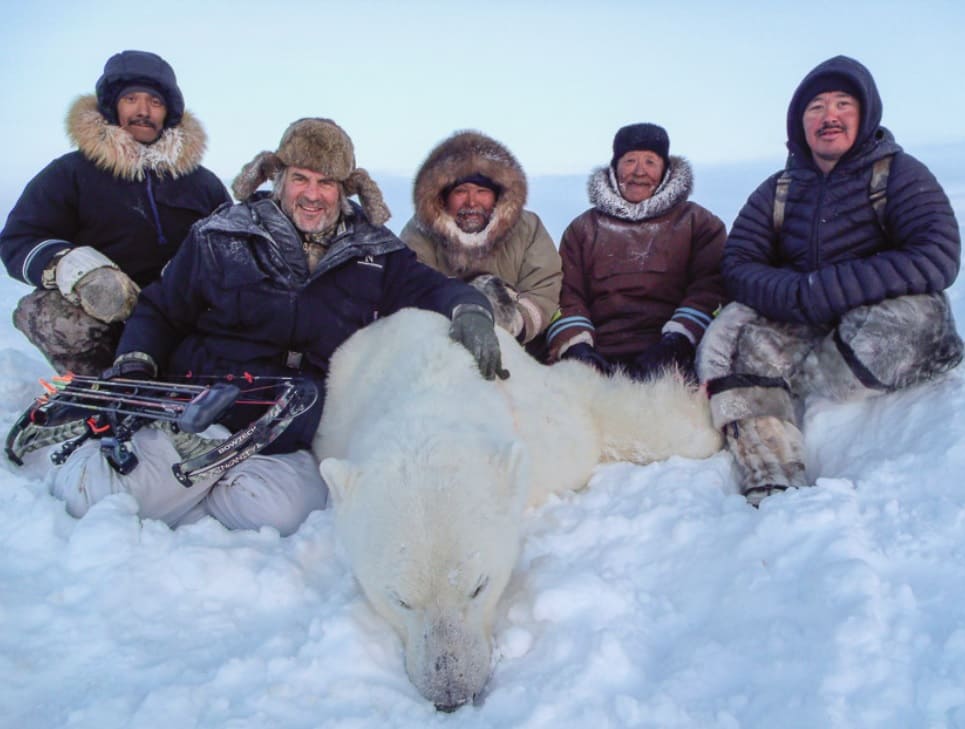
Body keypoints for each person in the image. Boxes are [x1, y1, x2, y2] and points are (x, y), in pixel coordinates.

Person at [46, 117, 505, 536]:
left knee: (272, 515)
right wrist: (135, 366)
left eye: (326, 183)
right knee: (92, 495)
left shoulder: (376, 252)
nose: (312, 194)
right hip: (205, 412)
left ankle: (192, 494)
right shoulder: (221, 234)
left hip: (292, 430)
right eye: (301, 178)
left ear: (345, 189)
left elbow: (434, 289)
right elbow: (161, 309)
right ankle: (152, 471)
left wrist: (471, 311)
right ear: (278, 179)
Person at [697, 55, 965, 507]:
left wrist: (831, 288)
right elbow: (739, 263)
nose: (830, 116)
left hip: (878, 323)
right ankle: (772, 479)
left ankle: (809, 388)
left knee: (918, 316)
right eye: (816, 107)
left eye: (843, 104)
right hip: (804, 320)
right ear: (800, 122)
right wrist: (796, 295)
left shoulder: (900, 174)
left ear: (865, 114)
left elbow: (937, 255)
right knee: (745, 345)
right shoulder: (776, 190)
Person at [0, 50, 230, 375]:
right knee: (44, 311)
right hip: (106, 312)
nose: (142, 111)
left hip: (184, 311)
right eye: (131, 99)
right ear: (112, 106)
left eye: (154, 102)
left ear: (169, 112)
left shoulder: (203, 183)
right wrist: (75, 269)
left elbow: (234, 247)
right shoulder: (70, 173)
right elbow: (19, 240)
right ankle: (101, 388)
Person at [545, 123, 727, 381]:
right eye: (629, 160)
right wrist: (577, 347)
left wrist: (678, 341)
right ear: (615, 167)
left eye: (651, 162)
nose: (639, 171)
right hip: (599, 354)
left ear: (665, 170)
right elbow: (567, 294)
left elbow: (710, 287)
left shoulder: (698, 223)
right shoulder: (583, 229)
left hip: (676, 353)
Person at [399, 130, 562, 353]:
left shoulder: (528, 227)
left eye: (482, 191)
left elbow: (543, 287)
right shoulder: (419, 232)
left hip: (522, 349)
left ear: (498, 195)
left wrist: (513, 323)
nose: (472, 201)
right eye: (460, 191)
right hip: (444, 346)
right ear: (443, 196)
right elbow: (412, 288)